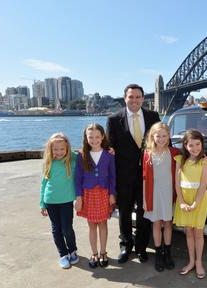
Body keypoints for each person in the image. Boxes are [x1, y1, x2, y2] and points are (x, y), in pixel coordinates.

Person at [106, 83, 161, 263]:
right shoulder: (114, 120)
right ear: (125, 98)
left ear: (143, 99)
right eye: (131, 97)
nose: (134, 100)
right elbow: (109, 148)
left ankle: (141, 247)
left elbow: (160, 142)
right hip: (124, 175)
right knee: (124, 212)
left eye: (138, 97)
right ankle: (126, 246)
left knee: (145, 211)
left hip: (147, 174)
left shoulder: (153, 116)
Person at [75, 123, 116, 268]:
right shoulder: (81, 155)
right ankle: (94, 253)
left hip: (104, 193)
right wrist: (78, 197)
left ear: (103, 137)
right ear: (86, 138)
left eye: (97, 136)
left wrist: (112, 193)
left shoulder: (109, 154)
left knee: (103, 224)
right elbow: (77, 178)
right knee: (92, 225)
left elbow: (113, 176)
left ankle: (103, 252)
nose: (94, 139)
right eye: (90, 137)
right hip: (88, 194)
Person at [173, 129, 207, 279]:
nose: (195, 148)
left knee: (198, 232)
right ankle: (191, 261)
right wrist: (181, 202)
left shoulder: (205, 161)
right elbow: (177, 183)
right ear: (185, 145)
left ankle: (199, 262)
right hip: (184, 200)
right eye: (191, 145)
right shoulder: (180, 160)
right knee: (188, 231)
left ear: (202, 144)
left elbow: (203, 185)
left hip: (199, 200)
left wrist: (196, 203)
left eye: (198, 144)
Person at [142, 122, 180, 272]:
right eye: (158, 136)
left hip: (169, 193)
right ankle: (158, 252)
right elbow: (144, 178)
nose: (161, 139)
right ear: (153, 136)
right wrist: (145, 200)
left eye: (164, 136)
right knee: (156, 224)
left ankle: (168, 251)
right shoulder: (148, 153)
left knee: (168, 224)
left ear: (169, 136)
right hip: (153, 194)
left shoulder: (175, 152)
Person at [40, 133, 79, 269]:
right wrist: (42, 203)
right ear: (50, 150)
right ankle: (63, 254)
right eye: (55, 149)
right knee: (56, 229)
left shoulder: (72, 160)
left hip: (67, 200)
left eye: (62, 149)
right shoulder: (48, 162)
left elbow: (84, 155)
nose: (59, 152)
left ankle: (72, 250)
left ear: (67, 148)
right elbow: (44, 183)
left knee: (67, 228)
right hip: (50, 200)